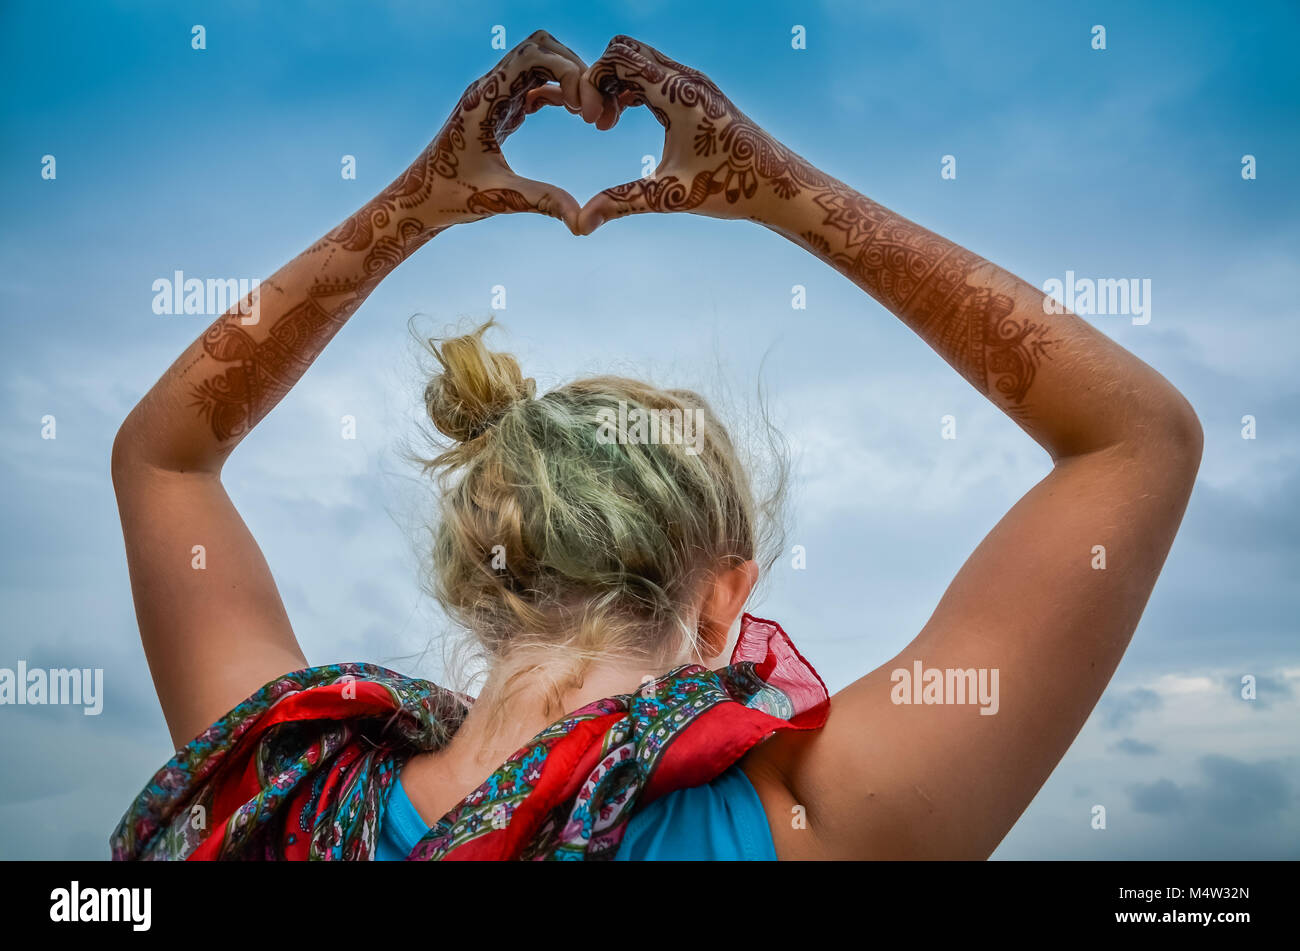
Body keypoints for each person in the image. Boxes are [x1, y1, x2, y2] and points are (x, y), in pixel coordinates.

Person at [109, 33, 1201, 861]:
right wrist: (784, 192)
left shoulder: (284, 788)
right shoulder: (808, 819)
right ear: (725, 599)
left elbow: (164, 458)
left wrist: (413, 207)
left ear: (475, 571)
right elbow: (1135, 440)